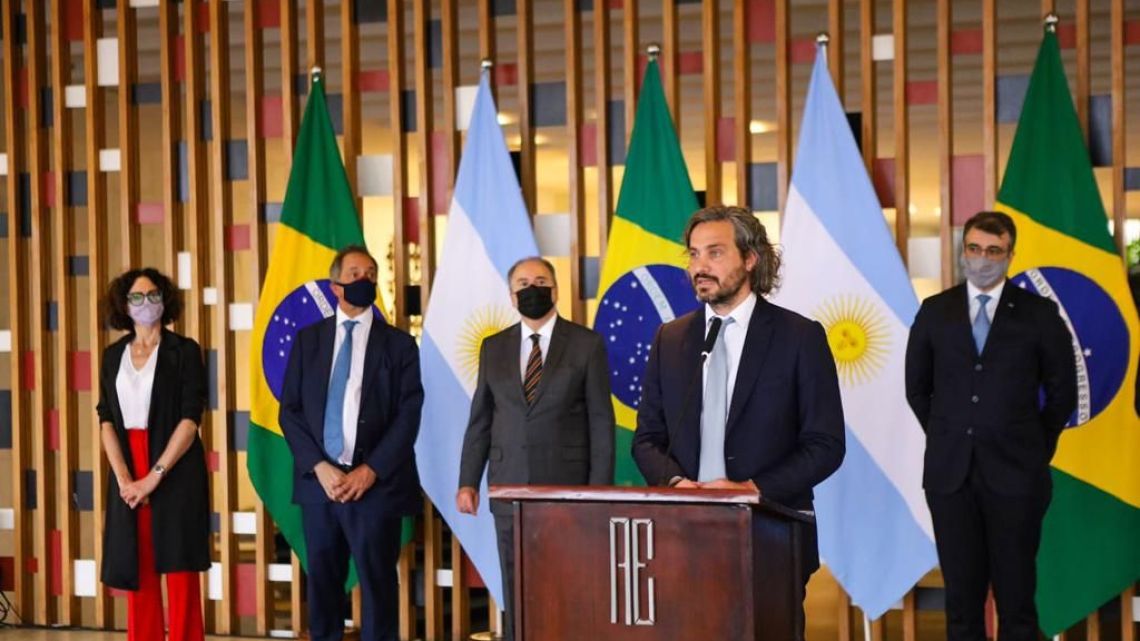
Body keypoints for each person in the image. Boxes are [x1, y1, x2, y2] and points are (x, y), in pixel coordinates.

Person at [631, 205, 845, 639]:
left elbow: (825, 444)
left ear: (750, 258)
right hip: (683, 533)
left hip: (771, 531)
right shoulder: (669, 339)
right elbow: (647, 439)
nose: (699, 267)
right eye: (693, 255)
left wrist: (752, 491)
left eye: (714, 253)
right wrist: (677, 485)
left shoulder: (800, 337)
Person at [905, 211, 1077, 641]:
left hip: (1018, 476)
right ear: (964, 251)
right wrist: (950, 434)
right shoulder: (935, 311)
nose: (983, 259)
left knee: (1017, 602)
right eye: (975, 249)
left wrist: (1034, 447)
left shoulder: (1039, 314)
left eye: (994, 251)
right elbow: (916, 388)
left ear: (1010, 256)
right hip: (950, 477)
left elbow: (1063, 395)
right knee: (961, 603)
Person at [456, 256, 615, 641]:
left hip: (569, 491)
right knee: (516, 588)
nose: (532, 289)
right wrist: (467, 482)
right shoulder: (493, 347)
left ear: (555, 289)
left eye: (540, 281)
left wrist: (597, 493)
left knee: (567, 587)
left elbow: (600, 422)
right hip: (508, 488)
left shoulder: (586, 343)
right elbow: (481, 419)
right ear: (512, 297)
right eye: (523, 284)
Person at [279, 245, 423, 641]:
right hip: (319, 484)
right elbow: (289, 411)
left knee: (378, 587)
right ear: (335, 286)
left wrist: (370, 470)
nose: (365, 280)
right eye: (355, 273)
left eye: (371, 273)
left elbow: (409, 414)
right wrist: (319, 467)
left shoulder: (399, 345)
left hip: (376, 486)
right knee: (323, 585)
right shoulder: (308, 341)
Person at [96, 267, 209, 641]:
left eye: (153, 295)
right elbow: (106, 419)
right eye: (137, 297)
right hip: (128, 465)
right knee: (137, 568)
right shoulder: (113, 356)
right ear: (124, 306)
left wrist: (153, 476)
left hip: (174, 466)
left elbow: (191, 420)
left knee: (179, 571)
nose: (147, 304)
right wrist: (126, 479)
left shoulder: (184, 351)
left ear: (166, 300)